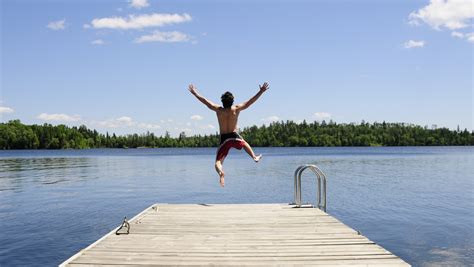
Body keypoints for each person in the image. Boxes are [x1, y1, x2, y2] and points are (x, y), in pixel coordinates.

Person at [188, 82, 269, 187]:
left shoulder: (218, 110)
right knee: (244, 143)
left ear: (222, 101)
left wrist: (195, 93)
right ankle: (254, 157)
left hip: (224, 139)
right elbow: (250, 102)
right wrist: (261, 91)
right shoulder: (236, 109)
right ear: (232, 101)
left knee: (218, 162)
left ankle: (221, 172)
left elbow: (205, 102)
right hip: (234, 136)